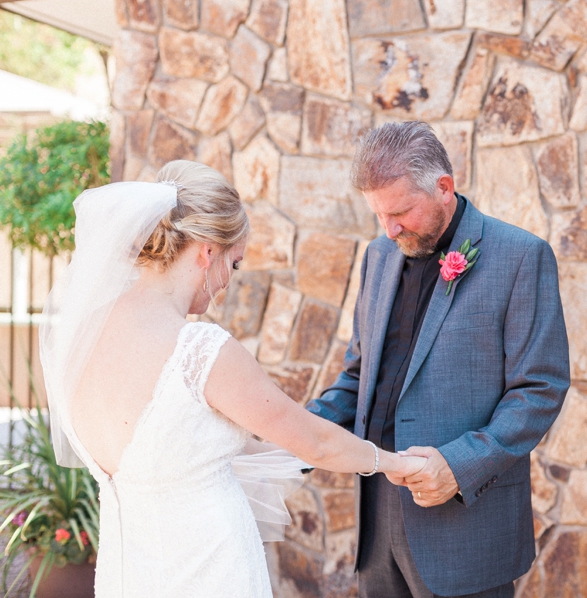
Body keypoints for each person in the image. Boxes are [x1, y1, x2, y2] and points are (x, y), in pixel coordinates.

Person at [40, 161, 425, 598]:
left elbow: (184, 446)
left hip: (127, 575)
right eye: (234, 264)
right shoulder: (199, 351)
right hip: (209, 571)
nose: (225, 283)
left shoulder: (82, 338)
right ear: (207, 252)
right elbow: (314, 442)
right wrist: (400, 464)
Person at [307, 121, 571, 598]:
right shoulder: (377, 256)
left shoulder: (521, 257)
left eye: (401, 212)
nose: (389, 229)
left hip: (465, 520)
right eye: (379, 215)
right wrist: (295, 437)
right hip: (377, 524)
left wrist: (458, 465)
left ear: (444, 187)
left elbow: (540, 389)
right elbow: (358, 376)